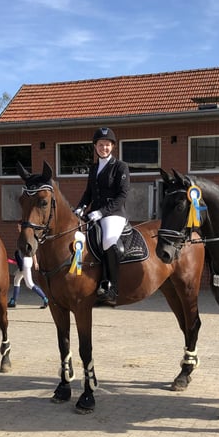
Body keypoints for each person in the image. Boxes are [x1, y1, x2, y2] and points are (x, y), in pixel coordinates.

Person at [74, 127, 130, 306]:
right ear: (95, 147)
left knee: (107, 240)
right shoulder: (93, 168)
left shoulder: (120, 167)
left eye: (107, 145)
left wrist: (102, 212)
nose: (103, 148)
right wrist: (80, 208)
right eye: (100, 145)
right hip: (93, 214)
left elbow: (122, 196)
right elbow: (88, 192)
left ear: (112, 146)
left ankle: (112, 287)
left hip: (113, 214)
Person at [9, 224, 49, 309]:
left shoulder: (24, 237)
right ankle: (13, 300)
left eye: (18, 226)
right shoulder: (23, 236)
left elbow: (32, 250)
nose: (17, 228)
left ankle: (45, 299)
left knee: (29, 284)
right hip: (24, 260)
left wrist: (35, 262)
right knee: (16, 279)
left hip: (25, 261)